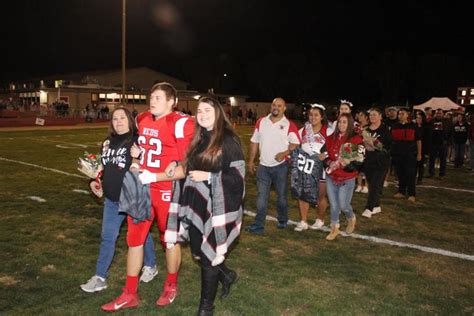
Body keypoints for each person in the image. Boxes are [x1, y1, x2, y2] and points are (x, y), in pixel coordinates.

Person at [101, 83, 194, 311]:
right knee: (134, 238)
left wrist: (154, 176)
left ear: (172, 101)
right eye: (152, 97)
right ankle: (130, 293)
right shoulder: (142, 119)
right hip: (142, 188)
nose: (153, 101)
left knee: (169, 239)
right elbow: (139, 152)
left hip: (166, 189)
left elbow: (187, 167)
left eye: (159, 98)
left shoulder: (181, 123)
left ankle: (171, 285)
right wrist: (135, 161)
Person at [152, 97, 245, 315]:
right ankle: (227, 275)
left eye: (207, 110)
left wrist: (211, 177)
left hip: (218, 208)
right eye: (199, 111)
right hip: (196, 205)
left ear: (218, 112)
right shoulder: (199, 138)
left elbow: (238, 178)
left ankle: (206, 308)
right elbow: (190, 166)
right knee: (198, 252)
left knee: (207, 258)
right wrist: (177, 164)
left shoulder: (228, 140)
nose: (202, 114)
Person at [80, 107, 157, 293]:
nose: (119, 121)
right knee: (108, 237)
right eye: (115, 118)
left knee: (140, 235)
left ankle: (151, 265)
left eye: (122, 118)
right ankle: (100, 277)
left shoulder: (138, 139)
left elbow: (146, 165)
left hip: (133, 197)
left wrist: (138, 159)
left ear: (130, 120)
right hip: (112, 200)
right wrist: (94, 181)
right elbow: (102, 168)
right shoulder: (107, 142)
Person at [246, 97, 300, 234]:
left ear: (284, 108)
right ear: (271, 106)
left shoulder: (289, 124)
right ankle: (258, 225)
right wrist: (251, 161)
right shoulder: (261, 122)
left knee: (281, 196)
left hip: (280, 167)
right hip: (263, 166)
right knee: (261, 197)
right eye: (274, 105)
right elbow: (254, 142)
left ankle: (282, 219)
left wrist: (285, 153)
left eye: (279, 105)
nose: (276, 107)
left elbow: (296, 144)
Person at [320, 113, 364, 240]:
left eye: (344, 122)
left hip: (347, 177)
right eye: (339, 122)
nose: (341, 124)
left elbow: (359, 163)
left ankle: (351, 218)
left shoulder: (356, 139)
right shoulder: (330, 138)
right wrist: (329, 162)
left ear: (349, 124)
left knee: (344, 205)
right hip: (331, 176)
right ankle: (335, 227)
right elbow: (323, 155)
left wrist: (344, 164)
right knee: (334, 205)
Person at [291, 104, 333, 232]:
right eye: (310, 114)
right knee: (303, 193)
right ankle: (303, 221)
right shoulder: (303, 130)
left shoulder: (328, 131)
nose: (313, 117)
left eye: (316, 115)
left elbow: (335, 147)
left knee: (321, 195)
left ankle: (320, 220)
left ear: (321, 117)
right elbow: (295, 145)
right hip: (305, 167)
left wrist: (325, 155)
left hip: (321, 168)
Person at [361, 108, 392, 218]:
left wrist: (373, 144)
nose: (372, 117)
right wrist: (367, 144)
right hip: (368, 161)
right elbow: (363, 145)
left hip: (381, 162)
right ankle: (377, 206)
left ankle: (369, 208)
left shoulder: (385, 130)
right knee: (371, 183)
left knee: (375, 185)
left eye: (375, 115)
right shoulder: (365, 129)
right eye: (370, 115)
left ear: (380, 116)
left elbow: (384, 146)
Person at [391, 108, 421, 202]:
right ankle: (401, 191)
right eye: (399, 114)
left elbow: (418, 140)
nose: (400, 115)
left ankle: (412, 194)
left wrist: (419, 153)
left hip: (410, 154)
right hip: (398, 154)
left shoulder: (413, 126)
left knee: (411, 174)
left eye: (402, 114)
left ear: (407, 115)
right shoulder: (395, 126)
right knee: (400, 173)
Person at [428, 109, 449, 178]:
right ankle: (431, 173)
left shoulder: (446, 122)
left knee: (443, 160)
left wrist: (447, 141)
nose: (438, 115)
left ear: (442, 114)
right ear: (435, 114)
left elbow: (450, 132)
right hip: (433, 143)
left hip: (443, 144)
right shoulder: (431, 121)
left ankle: (442, 174)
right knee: (431, 159)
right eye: (437, 113)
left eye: (440, 113)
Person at [355, 110, 369, 194]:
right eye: (359, 115)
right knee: (358, 167)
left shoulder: (369, 127)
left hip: (366, 148)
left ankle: (366, 185)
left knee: (366, 168)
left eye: (361, 115)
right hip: (357, 148)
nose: (359, 116)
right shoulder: (357, 126)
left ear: (366, 117)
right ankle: (359, 185)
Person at [415, 111, 430, 184]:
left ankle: (419, 179)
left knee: (421, 165)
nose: (418, 119)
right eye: (417, 118)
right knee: (414, 165)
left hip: (423, 149)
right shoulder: (413, 127)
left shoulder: (426, 128)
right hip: (413, 149)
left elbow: (427, 141)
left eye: (420, 118)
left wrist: (426, 152)